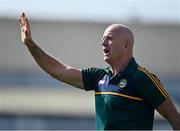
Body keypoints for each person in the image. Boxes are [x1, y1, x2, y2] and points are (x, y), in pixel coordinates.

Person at [18, 12, 180, 130]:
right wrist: (30, 45)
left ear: (125, 45)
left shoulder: (142, 77)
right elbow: (58, 70)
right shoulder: (99, 76)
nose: (103, 42)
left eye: (109, 38)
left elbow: (174, 118)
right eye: (102, 38)